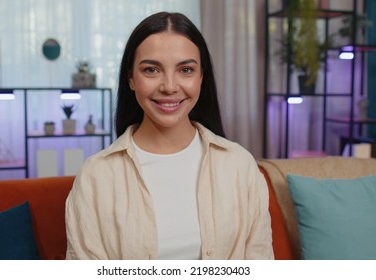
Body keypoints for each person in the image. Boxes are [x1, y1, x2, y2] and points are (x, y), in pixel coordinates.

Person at [65, 11, 274, 260]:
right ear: (131, 78)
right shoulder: (95, 177)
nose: (170, 87)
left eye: (186, 69)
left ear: (201, 78)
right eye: (152, 70)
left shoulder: (240, 166)